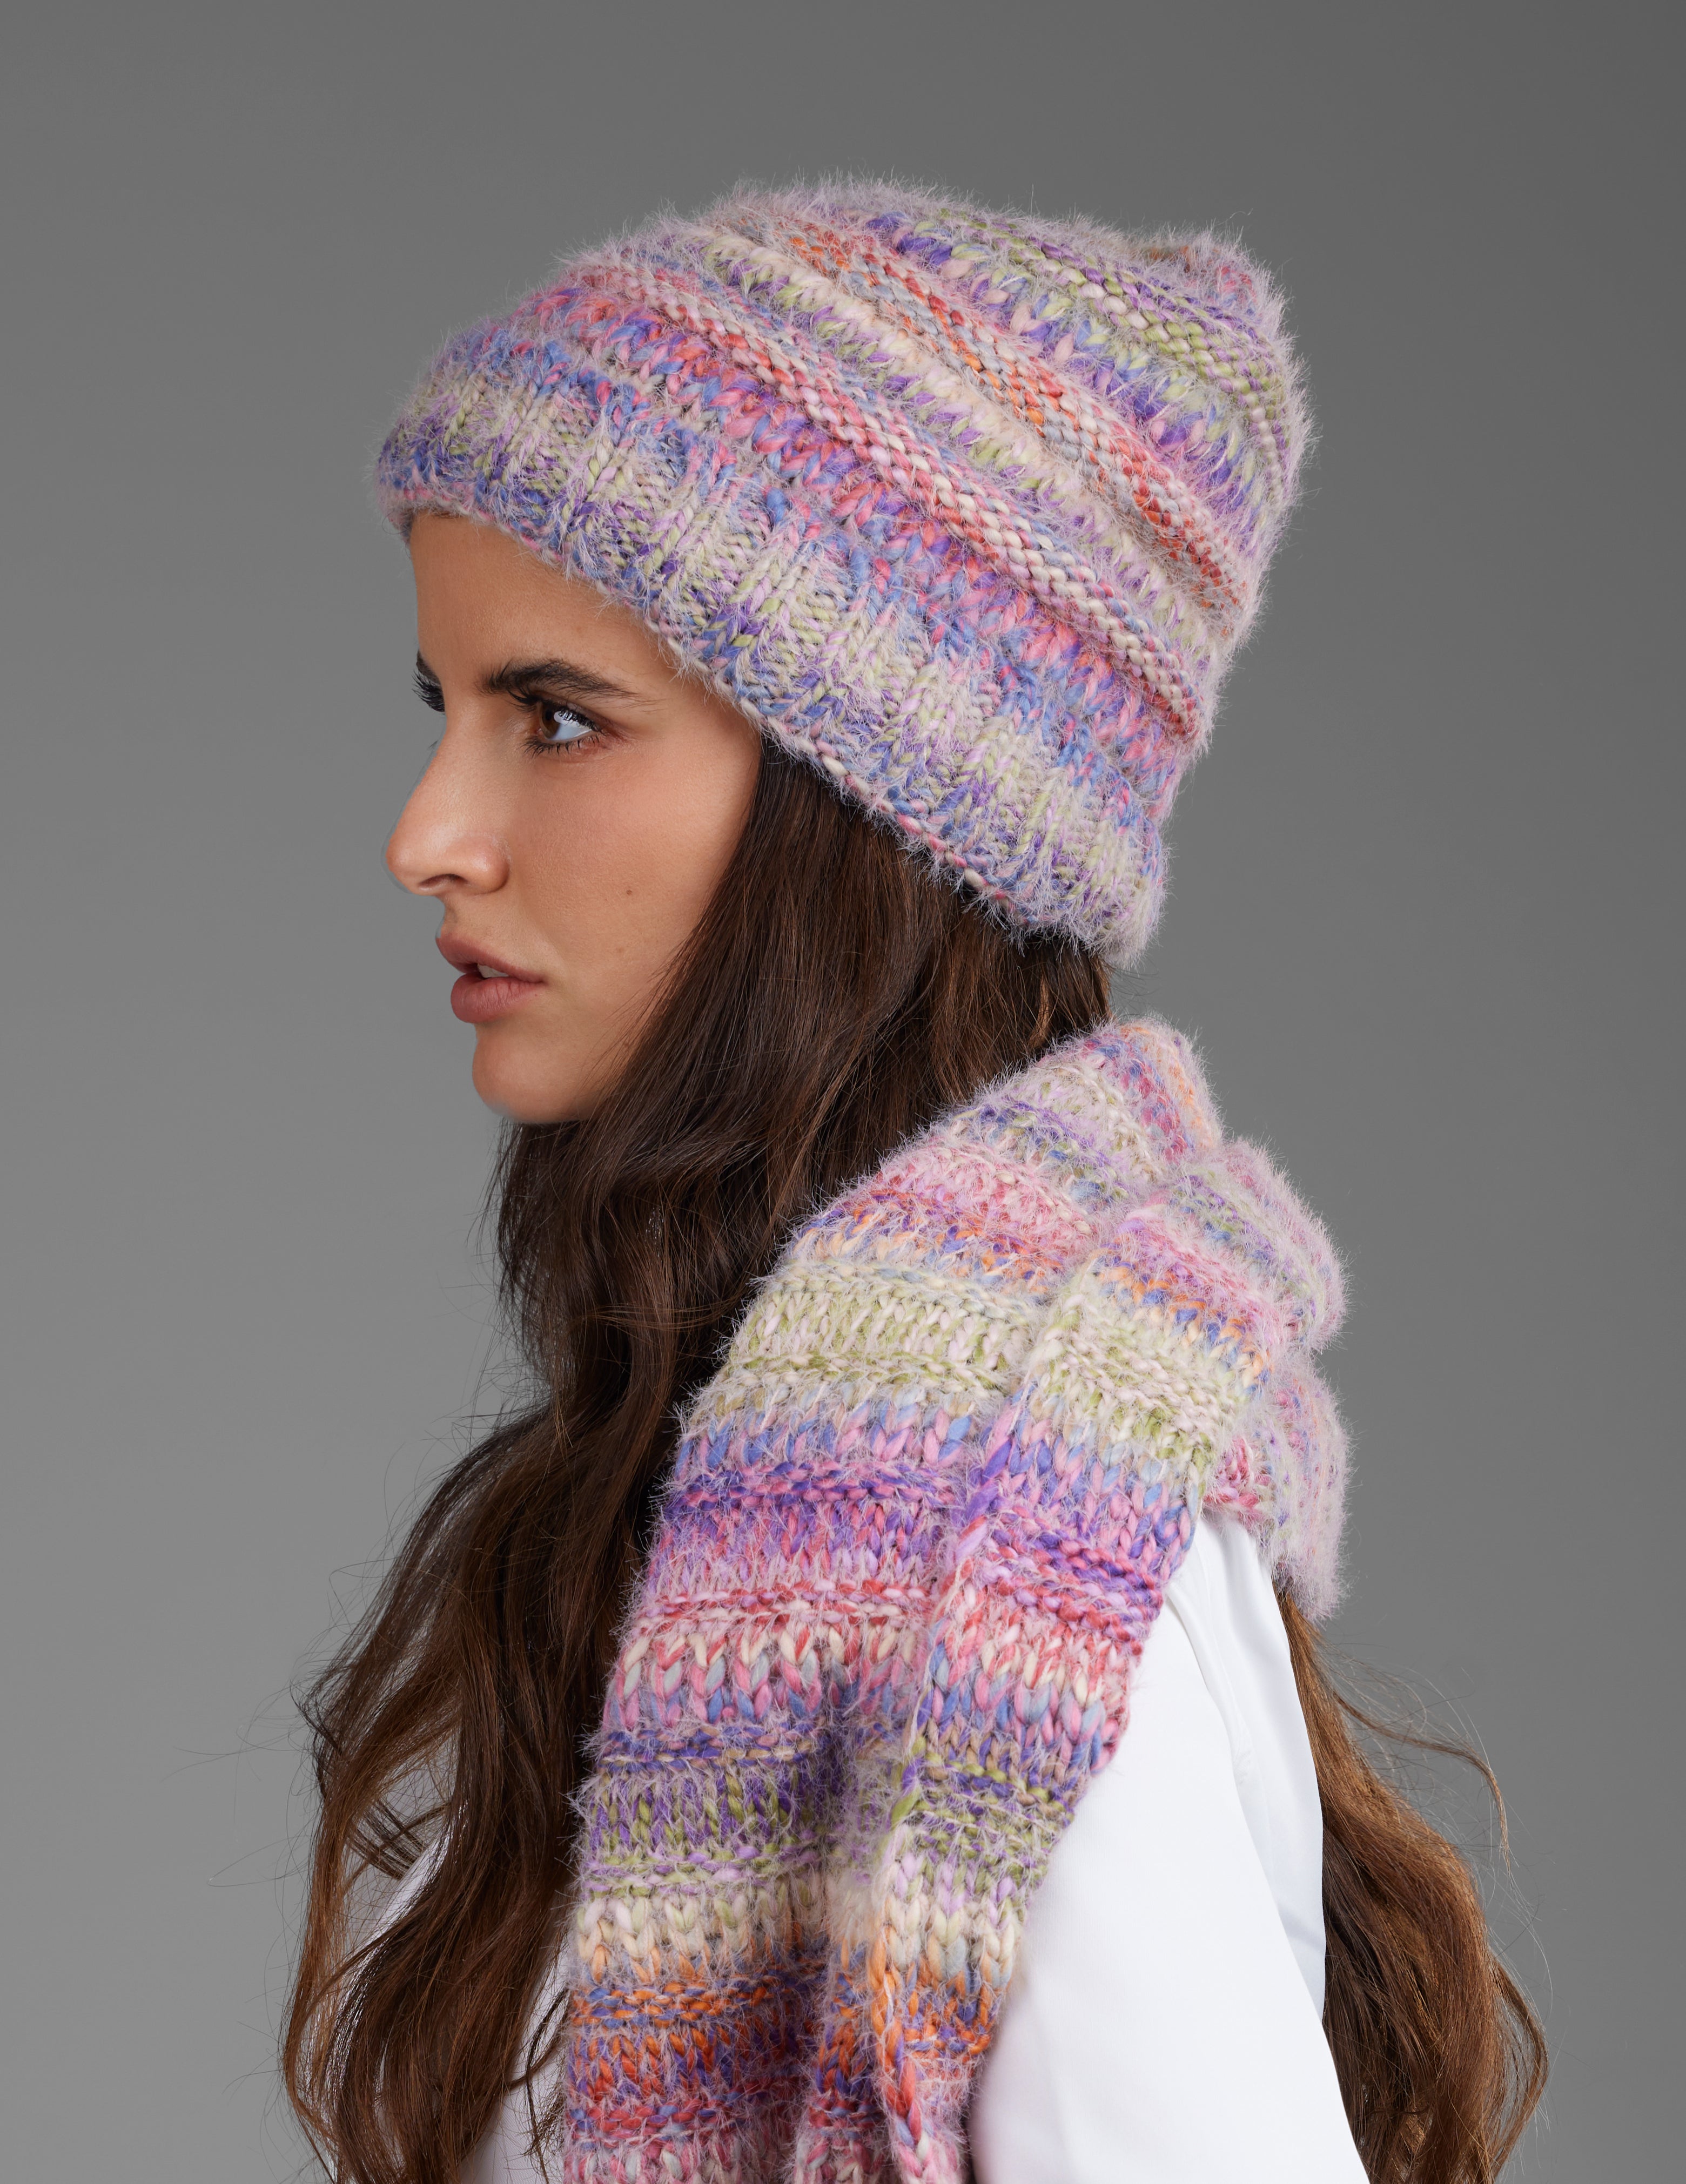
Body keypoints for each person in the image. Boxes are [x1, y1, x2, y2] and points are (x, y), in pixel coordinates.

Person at [283, 185, 1545, 2184]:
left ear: (867, 800)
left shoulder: (1012, 1546)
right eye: (444, 711)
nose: (429, 831)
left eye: (557, 718)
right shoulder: (685, 1499)